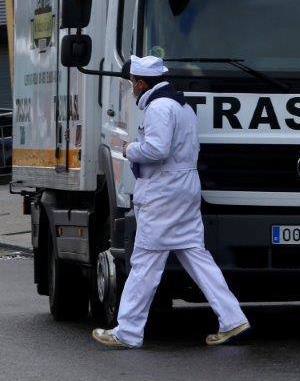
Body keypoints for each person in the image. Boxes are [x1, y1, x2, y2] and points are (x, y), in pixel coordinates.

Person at [92, 55, 250, 349]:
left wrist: (130, 148)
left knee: (145, 262)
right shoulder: (181, 105)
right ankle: (232, 318)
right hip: (184, 187)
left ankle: (127, 332)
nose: (131, 88)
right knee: (196, 256)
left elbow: (155, 150)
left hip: (163, 191)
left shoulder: (159, 108)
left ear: (141, 82)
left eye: (132, 83)